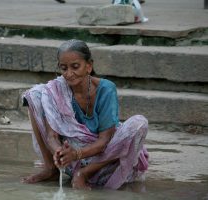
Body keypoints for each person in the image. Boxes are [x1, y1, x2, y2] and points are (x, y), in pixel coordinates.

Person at [21, 39, 149, 190]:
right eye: (63, 68)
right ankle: (51, 169)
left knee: (139, 123)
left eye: (75, 67)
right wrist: (59, 152)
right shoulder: (56, 90)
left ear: (89, 66)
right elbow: (52, 136)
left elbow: (104, 141)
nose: (69, 74)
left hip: (103, 161)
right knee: (35, 94)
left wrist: (76, 154)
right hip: (71, 161)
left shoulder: (106, 89)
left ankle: (84, 174)